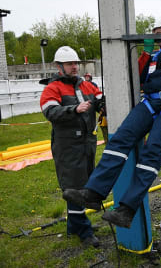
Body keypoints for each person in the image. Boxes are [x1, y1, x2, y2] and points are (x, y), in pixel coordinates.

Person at [63, 16, 161, 228]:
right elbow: (137, 76)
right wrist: (144, 53)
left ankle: (127, 209)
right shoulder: (153, 56)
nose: (156, 39)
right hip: (151, 101)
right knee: (120, 140)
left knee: (152, 149)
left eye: (159, 34)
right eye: (153, 34)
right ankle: (94, 193)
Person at [40, 46, 104, 247]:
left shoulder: (86, 85)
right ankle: (83, 232)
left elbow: (100, 98)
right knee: (74, 187)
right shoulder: (53, 88)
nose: (75, 67)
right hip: (68, 145)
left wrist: (104, 105)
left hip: (87, 143)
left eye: (76, 63)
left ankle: (73, 227)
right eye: (70, 64)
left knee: (84, 185)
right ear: (59, 67)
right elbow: (50, 112)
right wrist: (74, 109)